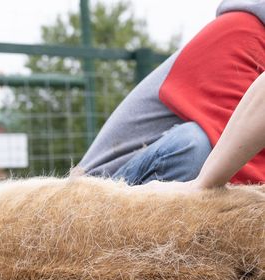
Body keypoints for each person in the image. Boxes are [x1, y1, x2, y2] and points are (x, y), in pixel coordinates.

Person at [72, 0, 265, 185]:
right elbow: (243, 164)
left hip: (146, 177)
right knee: (192, 147)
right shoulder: (240, 35)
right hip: (100, 192)